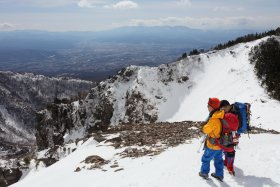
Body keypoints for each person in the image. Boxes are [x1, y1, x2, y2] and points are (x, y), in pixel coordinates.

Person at [199, 98, 224, 181]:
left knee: (206, 158)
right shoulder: (221, 115)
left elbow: (206, 130)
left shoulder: (214, 118)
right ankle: (219, 174)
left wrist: (203, 127)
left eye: (208, 106)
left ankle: (204, 172)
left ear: (212, 107)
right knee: (219, 160)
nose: (207, 107)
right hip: (220, 144)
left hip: (212, 144)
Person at [219, 100, 239, 176]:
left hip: (233, 134)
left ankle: (230, 166)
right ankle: (227, 162)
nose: (223, 111)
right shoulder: (232, 110)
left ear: (227, 106)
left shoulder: (233, 113)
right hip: (234, 134)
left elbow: (232, 125)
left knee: (230, 149)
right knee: (229, 147)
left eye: (223, 109)